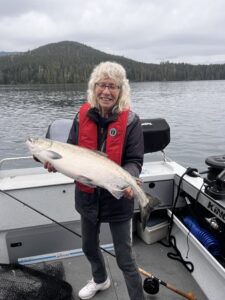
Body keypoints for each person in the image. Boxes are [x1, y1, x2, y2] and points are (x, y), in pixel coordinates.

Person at [45, 61, 145, 300]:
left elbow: (134, 160)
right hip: (87, 198)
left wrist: (129, 180)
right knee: (88, 247)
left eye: (113, 86)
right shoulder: (81, 117)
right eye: (102, 85)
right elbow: (70, 153)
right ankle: (100, 279)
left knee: (125, 257)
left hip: (118, 198)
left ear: (121, 90)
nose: (107, 92)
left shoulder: (131, 121)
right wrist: (54, 164)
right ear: (94, 87)